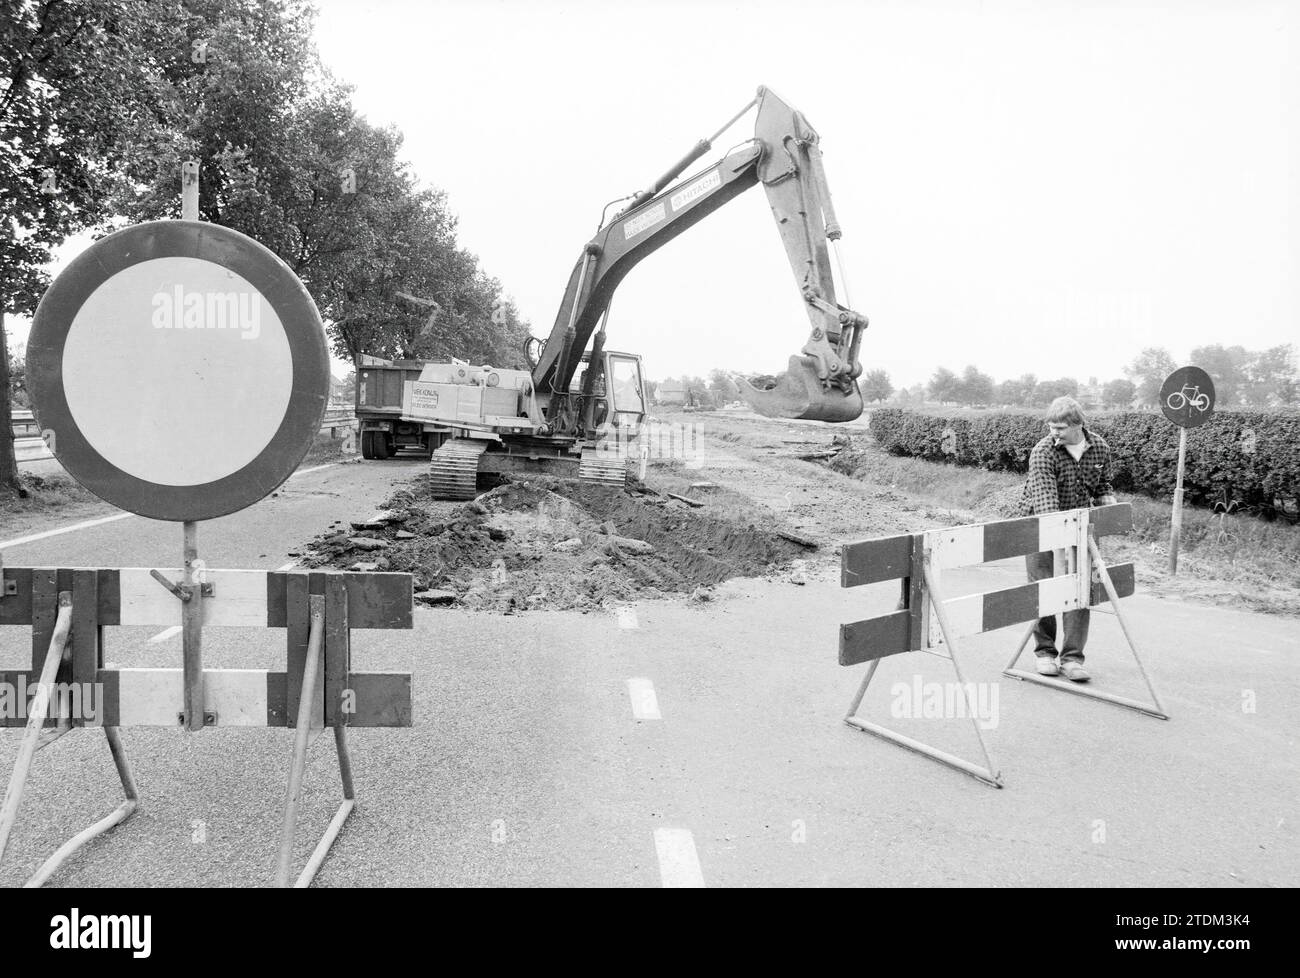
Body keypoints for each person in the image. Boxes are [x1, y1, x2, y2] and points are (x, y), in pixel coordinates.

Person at [1020, 396, 1116, 682]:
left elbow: (1103, 485)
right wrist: (1060, 547)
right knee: (1044, 590)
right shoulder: (1042, 452)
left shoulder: (1099, 448)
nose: (1055, 433)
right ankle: (1045, 653)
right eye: (1051, 427)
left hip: (1079, 528)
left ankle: (1072, 658)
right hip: (1041, 528)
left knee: (1079, 591)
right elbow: (1046, 502)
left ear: (1078, 425)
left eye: (1060, 428)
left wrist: (1110, 514)